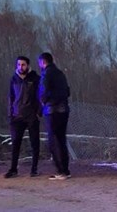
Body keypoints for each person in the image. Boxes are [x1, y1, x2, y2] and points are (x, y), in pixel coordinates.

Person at [4, 56, 42, 178]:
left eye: (23, 64)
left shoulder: (35, 78)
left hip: (31, 115)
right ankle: (13, 169)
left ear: (28, 65)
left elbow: (41, 96)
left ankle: (34, 169)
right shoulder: (14, 79)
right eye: (19, 64)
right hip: (17, 116)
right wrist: (10, 114)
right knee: (15, 143)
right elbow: (10, 97)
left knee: (34, 143)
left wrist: (39, 112)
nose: (21, 67)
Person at [37, 52, 72, 180]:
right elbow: (67, 91)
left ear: (42, 62)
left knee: (53, 141)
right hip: (64, 109)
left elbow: (43, 91)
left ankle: (60, 170)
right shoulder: (61, 74)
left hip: (52, 110)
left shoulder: (46, 74)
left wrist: (43, 101)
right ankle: (65, 169)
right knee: (61, 139)